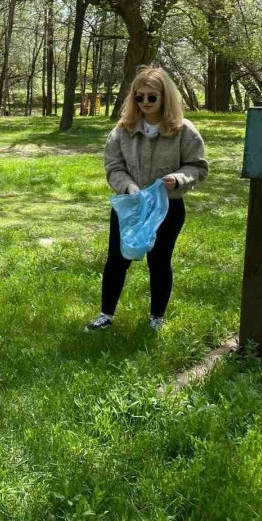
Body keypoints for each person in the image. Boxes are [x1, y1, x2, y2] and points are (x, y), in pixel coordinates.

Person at [86, 67, 208, 332]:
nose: (144, 103)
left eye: (151, 97)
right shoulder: (123, 130)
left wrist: (178, 179)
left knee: (160, 260)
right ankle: (105, 316)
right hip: (130, 207)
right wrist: (127, 186)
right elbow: (113, 167)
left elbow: (197, 167)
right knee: (117, 259)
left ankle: (156, 319)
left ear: (166, 97)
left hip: (167, 208)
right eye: (138, 97)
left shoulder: (184, 131)